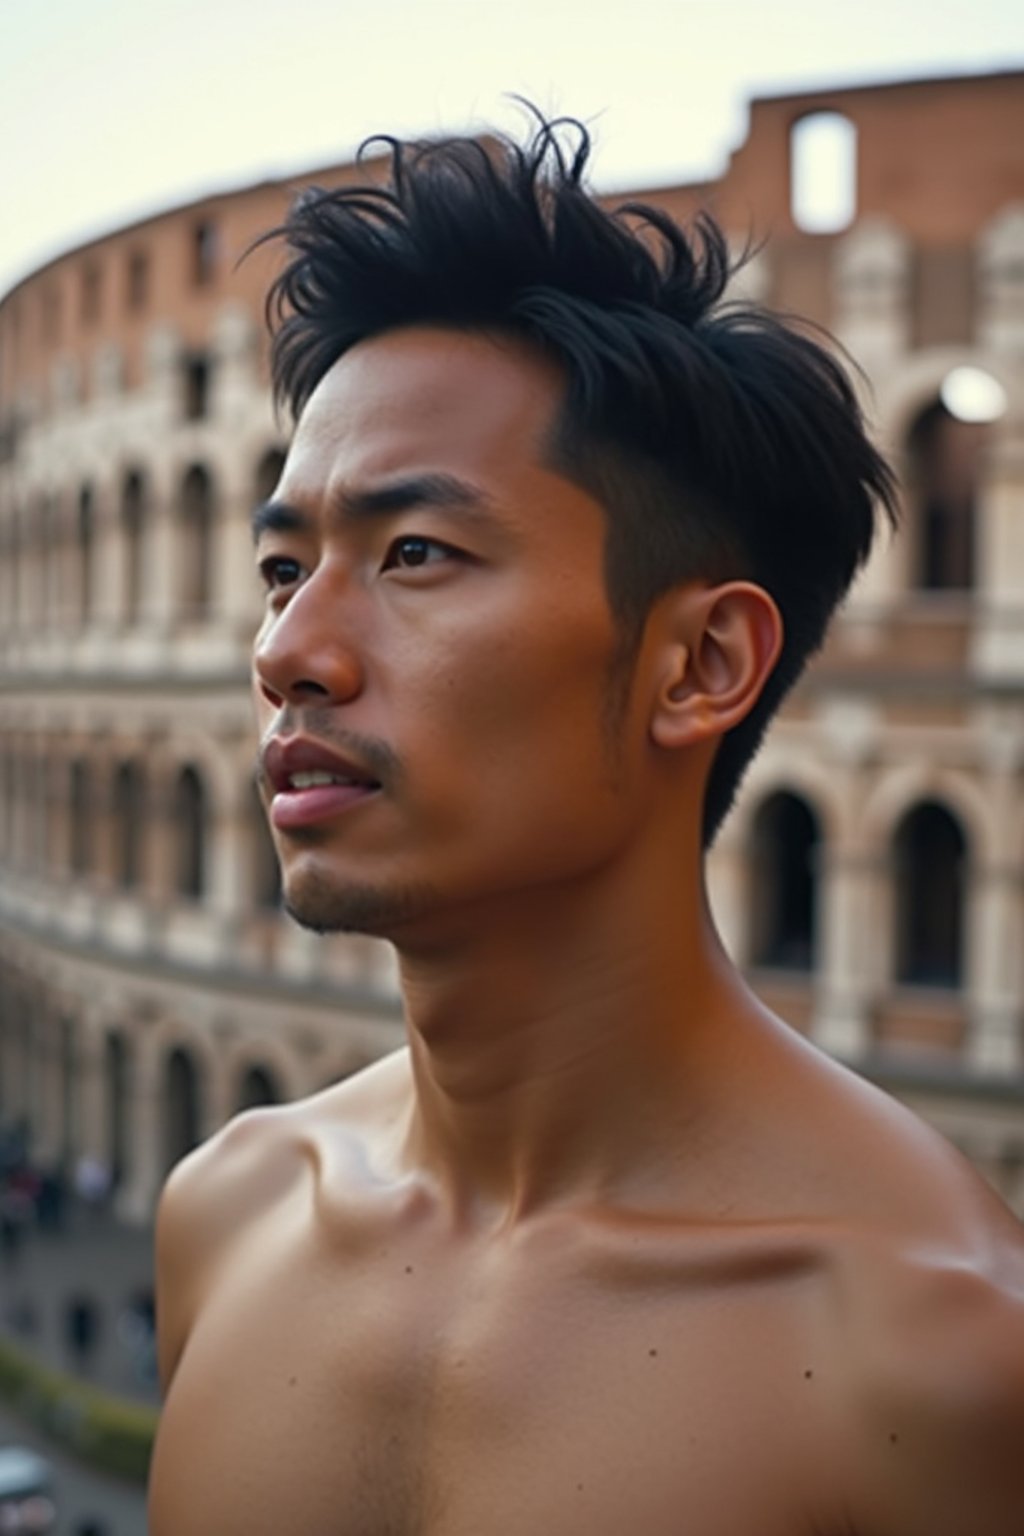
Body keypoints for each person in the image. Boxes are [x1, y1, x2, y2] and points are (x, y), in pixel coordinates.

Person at [149, 112, 1024, 1534]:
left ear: (698, 666)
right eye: (281, 564)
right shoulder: (228, 1210)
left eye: (414, 553)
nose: (287, 649)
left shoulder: (945, 1366)